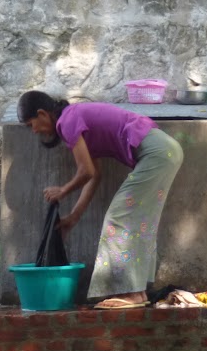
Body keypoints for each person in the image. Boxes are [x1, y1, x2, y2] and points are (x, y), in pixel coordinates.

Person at [18, 90, 184, 309]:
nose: (35, 131)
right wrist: (73, 218)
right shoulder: (74, 119)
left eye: (31, 124)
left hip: (156, 153)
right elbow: (94, 175)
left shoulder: (67, 120)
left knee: (119, 219)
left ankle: (132, 293)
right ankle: (139, 293)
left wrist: (63, 190)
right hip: (165, 151)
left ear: (42, 114)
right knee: (138, 223)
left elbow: (85, 171)